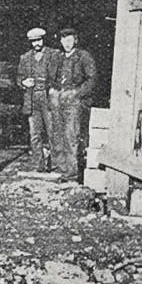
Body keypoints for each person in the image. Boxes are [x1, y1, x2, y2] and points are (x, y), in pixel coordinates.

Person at [52, 27, 96, 182]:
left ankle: (72, 174)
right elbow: (52, 78)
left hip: (75, 102)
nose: (67, 43)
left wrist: (76, 93)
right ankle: (61, 169)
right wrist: (53, 89)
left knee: (71, 136)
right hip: (59, 99)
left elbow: (92, 80)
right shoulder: (59, 57)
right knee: (58, 135)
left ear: (75, 41)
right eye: (64, 40)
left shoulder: (83, 57)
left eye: (70, 40)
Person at [16, 27, 60, 171]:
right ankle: (37, 164)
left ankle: (56, 165)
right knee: (34, 134)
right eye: (33, 41)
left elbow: (59, 75)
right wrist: (23, 82)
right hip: (32, 98)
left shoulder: (53, 54)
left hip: (48, 98)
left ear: (44, 39)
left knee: (52, 132)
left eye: (39, 40)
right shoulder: (25, 58)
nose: (37, 44)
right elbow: (19, 78)